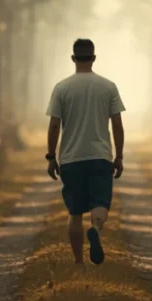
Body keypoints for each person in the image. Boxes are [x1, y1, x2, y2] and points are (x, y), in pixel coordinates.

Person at [45, 38, 125, 265]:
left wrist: (51, 157)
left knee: (75, 213)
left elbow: (54, 125)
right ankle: (96, 229)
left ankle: (79, 263)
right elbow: (117, 124)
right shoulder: (108, 86)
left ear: (73, 58)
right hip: (100, 157)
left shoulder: (62, 88)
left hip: (71, 159)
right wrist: (119, 156)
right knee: (100, 204)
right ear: (94, 58)